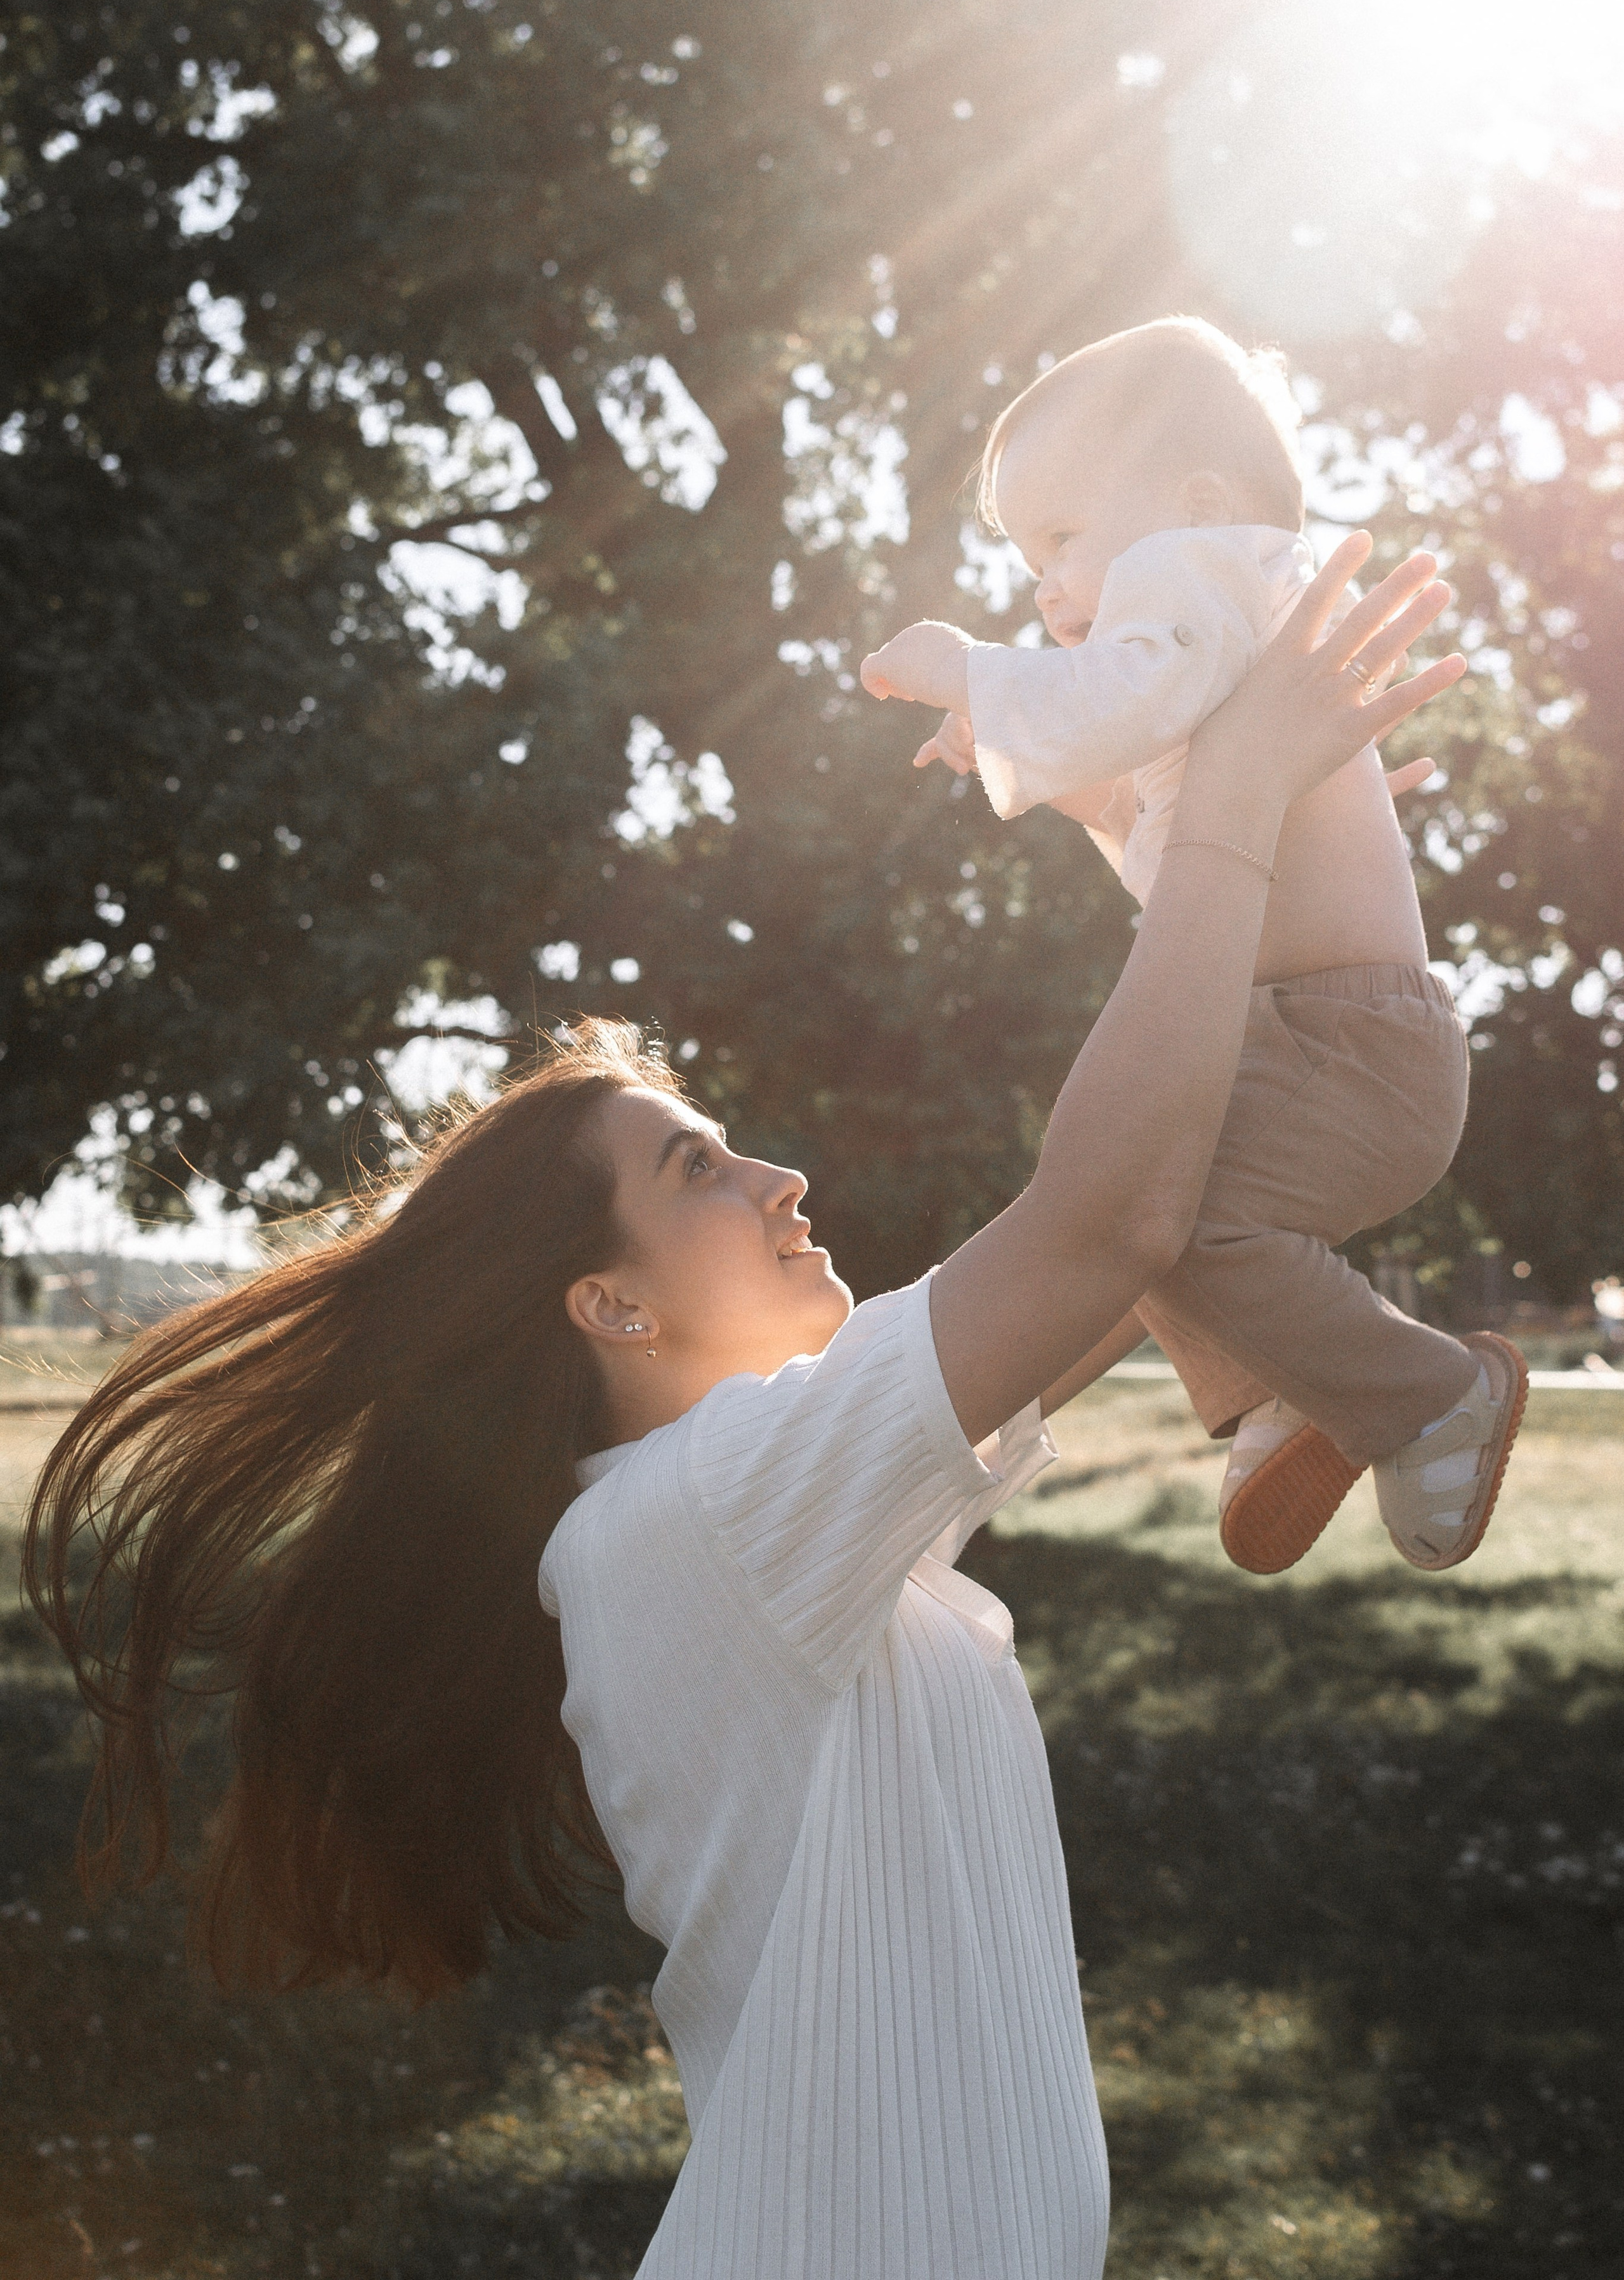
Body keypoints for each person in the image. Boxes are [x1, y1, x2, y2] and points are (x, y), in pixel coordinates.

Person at [27, 533, 1458, 2279]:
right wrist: (1230, 791)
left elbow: (1136, 1240)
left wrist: (1184, 825)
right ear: (607, 1302)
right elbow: (1109, 1223)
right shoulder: (700, 1521)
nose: (784, 1174)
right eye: (701, 1165)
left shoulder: (758, 1512)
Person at [861, 317, 1525, 1578]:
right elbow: (1162, 851)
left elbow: (1111, 704)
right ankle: (1282, 1389)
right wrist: (1029, 761)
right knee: (1136, 1187)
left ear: (1195, 503)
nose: (1044, 587)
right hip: (1324, 1037)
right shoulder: (1224, 638)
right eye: (1024, 559)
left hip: (1341, 1042)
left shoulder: (1204, 571)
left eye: (1059, 540)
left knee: (1159, 1209)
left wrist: (968, 671)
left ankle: (1423, 1393)